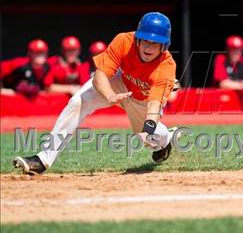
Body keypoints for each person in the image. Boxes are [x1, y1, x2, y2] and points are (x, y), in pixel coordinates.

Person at [13, 12, 177, 175]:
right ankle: (43, 159)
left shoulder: (166, 67)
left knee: (149, 137)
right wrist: (109, 96)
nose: (148, 47)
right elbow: (100, 76)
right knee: (78, 101)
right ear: (137, 39)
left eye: (155, 43)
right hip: (121, 83)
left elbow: (154, 105)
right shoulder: (124, 41)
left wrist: (148, 129)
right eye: (145, 41)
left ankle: (165, 141)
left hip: (144, 99)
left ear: (164, 46)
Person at [213, 35, 243, 101]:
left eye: (239, 50)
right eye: (233, 49)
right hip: (219, 99)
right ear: (227, 49)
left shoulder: (242, 60)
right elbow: (222, 84)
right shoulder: (221, 59)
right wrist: (242, 86)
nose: (237, 53)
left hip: (236, 100)